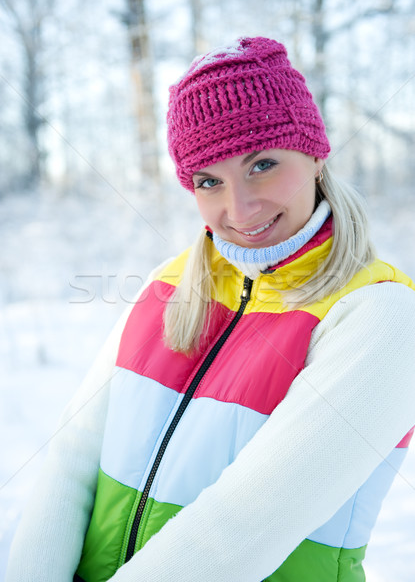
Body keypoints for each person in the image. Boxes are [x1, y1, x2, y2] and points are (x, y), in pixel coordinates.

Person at [6, 36, 415, 582]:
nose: (238, 208)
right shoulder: (167, 285)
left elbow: (246, 524)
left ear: (316, 156)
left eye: (263, 164)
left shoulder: (381, 317)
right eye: (209, 181)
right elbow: (73, 460)